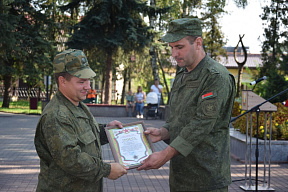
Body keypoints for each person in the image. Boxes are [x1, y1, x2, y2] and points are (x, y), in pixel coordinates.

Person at [137, 18, 236, 192]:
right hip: (180, 177)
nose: (174, 54)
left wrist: (164, 155)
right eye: (172, 48)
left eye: (179, 47)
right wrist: (162, 132)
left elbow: (201, 124)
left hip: (206, 179)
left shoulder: (215, 76)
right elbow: (181, 118)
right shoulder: (183, 74)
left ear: (198, 43)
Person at [34, 49, 127, 192]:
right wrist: (107, 170)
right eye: (81, 81)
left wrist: (107, 130)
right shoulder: (57, 115)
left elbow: (84, 136)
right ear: (62, 81)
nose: (88, 87)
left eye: (88, 80)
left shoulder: (77, 105)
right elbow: (70, 158)